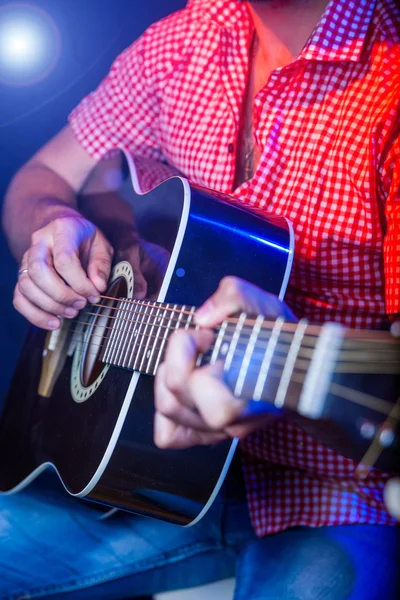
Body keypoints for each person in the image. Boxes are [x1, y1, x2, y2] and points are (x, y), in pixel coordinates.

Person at [1, 0, 399, 598]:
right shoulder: (185, 39)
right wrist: (53, 227)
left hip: (333, 486)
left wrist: (273, 383)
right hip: (143, 464)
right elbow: (39, 180)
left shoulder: (388, 83)